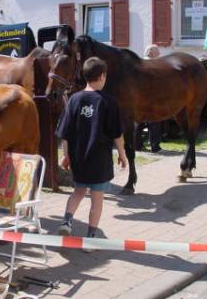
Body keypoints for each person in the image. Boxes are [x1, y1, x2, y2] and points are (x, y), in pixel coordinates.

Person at [55, 57, 127, 244]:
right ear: (102, 76)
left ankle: (67, 220)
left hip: (79, 158)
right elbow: (117, 134)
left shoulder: (74, 100)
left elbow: (65, 133)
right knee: (97, 199)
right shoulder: (109, 101)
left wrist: (66, 156)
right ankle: (91, 237)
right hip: (100, 160)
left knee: (78, 192)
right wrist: (122, 154)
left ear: (85, 76)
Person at [135, 44, 163, 153]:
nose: (159, 54)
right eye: (157, 51)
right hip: (150, 97)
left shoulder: (139, 63)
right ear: (150, 52)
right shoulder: (152, 64)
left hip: (139, 97)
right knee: (154, 121)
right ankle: (155, 146)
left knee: (139, 122)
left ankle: (137, 145)